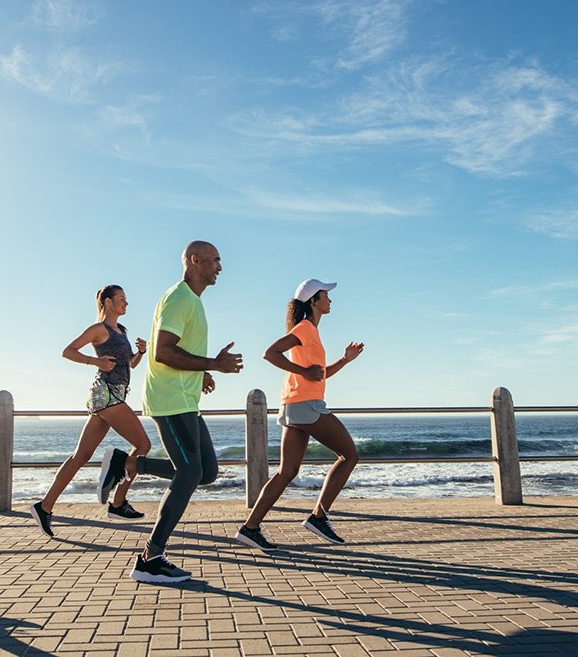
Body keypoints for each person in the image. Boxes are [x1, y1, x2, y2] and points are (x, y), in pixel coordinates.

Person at [96, 240, 243, 583]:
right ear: (195, 261)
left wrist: (202, 371)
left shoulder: (192, 301)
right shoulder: (179, 299)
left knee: (206, 472)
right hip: (169, 399)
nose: (220, 267)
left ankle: (128, 463)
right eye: (215, 260)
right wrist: (214, 365)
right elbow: (162, 353)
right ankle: (151, 557)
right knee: (189, 474)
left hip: (185, 398)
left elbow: (179, 350)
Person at [235, 279, 363, 552]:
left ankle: (250, 528)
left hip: (294, 406)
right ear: (314, 301)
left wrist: (345, 360)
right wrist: (304, 372)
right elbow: (270, 353)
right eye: (326, 296)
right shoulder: (304, 328)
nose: (330, 300)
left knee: (287, 471)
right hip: (307, 405)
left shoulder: (311, 332)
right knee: (349, 455)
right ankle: (318, 517)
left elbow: (320, 373)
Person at [29, 285, 152, 536]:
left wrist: (140, 352)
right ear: (107, 302)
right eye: (121, 299)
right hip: (105, 394)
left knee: (81, 455)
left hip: (114, 394)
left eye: (126, 300)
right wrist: (95, 361)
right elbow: (68, 351)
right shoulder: (99, 329)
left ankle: (44, 506)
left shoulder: (121, 330)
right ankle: (117, 503)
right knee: (143, 445)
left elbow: (128, 364)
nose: (126, 303)